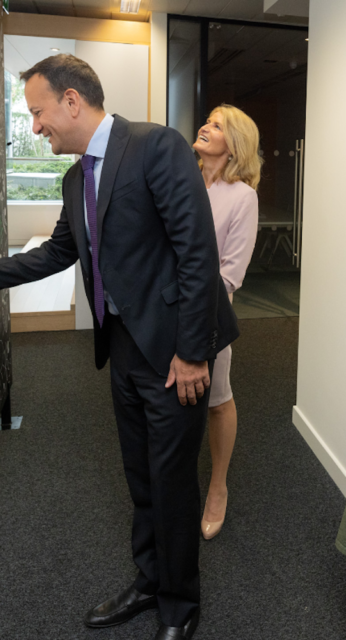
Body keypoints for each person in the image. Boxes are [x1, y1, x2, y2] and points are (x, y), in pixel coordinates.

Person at [0, 54, 238, 640]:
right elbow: (57, 253)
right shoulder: (77, 178)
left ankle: (179, 603)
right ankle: (149, 580)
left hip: (177, 351)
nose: (36, 126)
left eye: (39, 112)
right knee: (140, 476)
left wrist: (194, 352)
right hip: (123, 347)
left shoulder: (156, 146)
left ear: (72, 101)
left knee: (172, 482)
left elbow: (197, 252)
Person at [192, 105, 261, 540]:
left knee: (217, 401)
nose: (205, 125)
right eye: (208, 119)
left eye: (217, 125)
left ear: (234, 143)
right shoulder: (180, 179)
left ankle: (218, 487)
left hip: (209, 316)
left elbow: (230, 275)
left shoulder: (242, 197)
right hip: (161, 314)